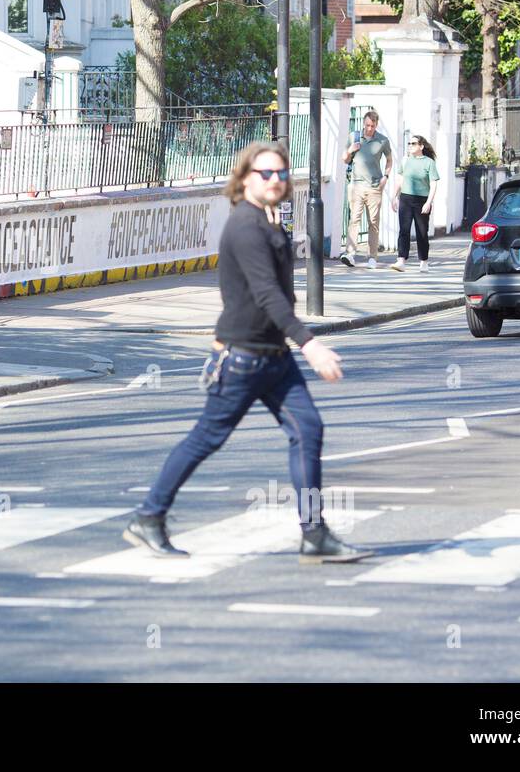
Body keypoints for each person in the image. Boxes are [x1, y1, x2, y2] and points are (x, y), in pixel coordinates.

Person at [124, 140, 375, 564]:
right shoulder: (245, 226)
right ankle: (148, 517)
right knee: (206, 438)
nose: (276, 180)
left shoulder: (267, 221)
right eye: (265, 173)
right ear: (244, 179)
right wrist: (310, 343)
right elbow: (268, 297)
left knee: (308, 430)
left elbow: (279, 294)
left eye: (281, 173)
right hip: (242, 358)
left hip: (273, 358)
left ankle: (314, 535)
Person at [339, 110, 392, 269]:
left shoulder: (382, 141)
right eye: (367, 125)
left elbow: (389, 161)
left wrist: (386, 177)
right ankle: (350, 254)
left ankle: (372, 257)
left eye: (372, 126)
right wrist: (350, 150)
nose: (369, 128)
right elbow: (344, 159)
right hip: (356, 185)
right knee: (354, 219)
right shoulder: (354, 136)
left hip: (375, 186)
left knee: (373, 222)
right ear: (364, 123)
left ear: (376, 125)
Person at [390, 134, 440, 273]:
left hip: (422, 200)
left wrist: (429, 202)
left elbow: (433, 183)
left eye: (413, 143)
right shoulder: (405, 160)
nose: (410, 146)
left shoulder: (429, 162)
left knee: (422, 232)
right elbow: (399, 179)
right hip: (405, 198)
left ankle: (423, 261)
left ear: (421, 146)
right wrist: (394, 197)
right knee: (404, 230)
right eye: (409, 143)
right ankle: (401, 260)